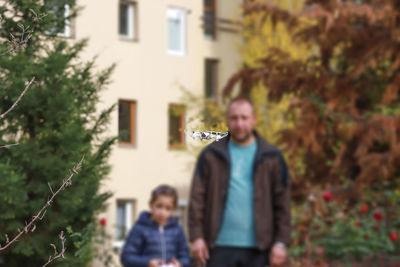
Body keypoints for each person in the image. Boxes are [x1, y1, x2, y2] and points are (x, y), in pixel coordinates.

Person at [188, 97, 291, 267]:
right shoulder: (211, 155)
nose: (239, 124)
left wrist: (281, 242)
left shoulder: (272, 157)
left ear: (254, 119)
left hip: (260, 248)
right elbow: (197, 199)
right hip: (217, 246)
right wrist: (197, 237)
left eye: (244, 118)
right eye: (234, 118)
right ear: (227, 120)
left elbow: (283, 203)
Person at [121, 185, 191, 267]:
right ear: (151, 204)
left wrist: (180, 263)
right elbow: (126, 257)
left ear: (174, 209)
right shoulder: (140, 228)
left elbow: (186, 257)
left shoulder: (177, 230)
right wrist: (148, 263)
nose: (162, 212)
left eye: (168, 208)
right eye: (159, 206)